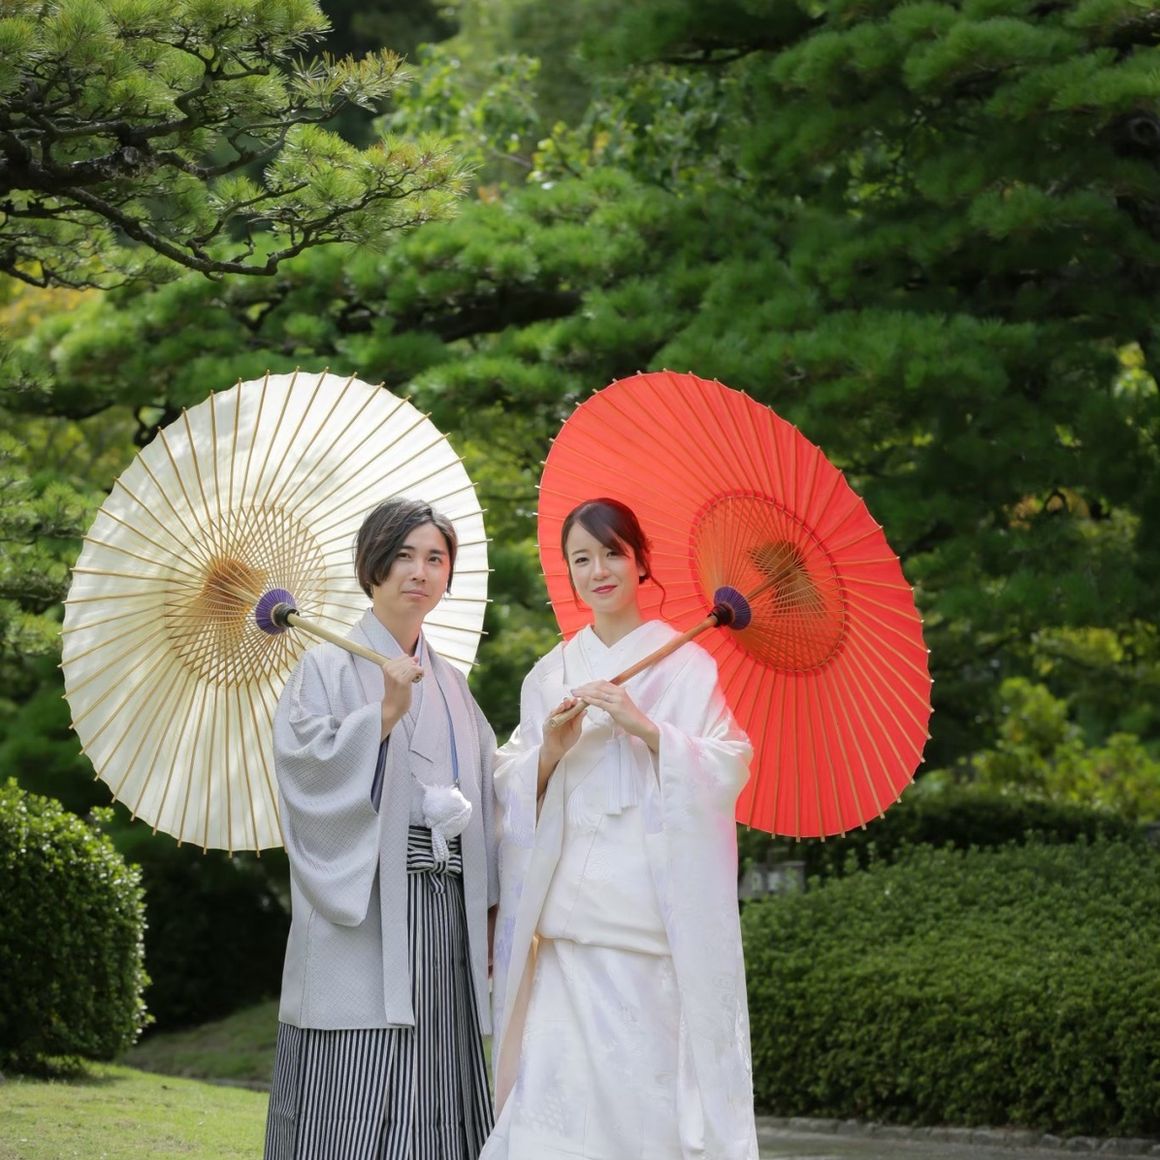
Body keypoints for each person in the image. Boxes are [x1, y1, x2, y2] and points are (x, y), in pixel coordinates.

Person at [484, 497, 759, 1160]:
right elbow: (507, 779)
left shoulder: (686, 666)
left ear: (640, 562)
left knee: (642, 1118)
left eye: (613, 553)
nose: (598, 570)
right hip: (568, 928)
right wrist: (550, 751)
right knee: (551, 1118)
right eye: (581, 559)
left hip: (648, 924)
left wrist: (649, 729)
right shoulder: (550, 674)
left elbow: (728, 762)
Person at [264, 497, 498, 1160]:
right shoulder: (325, 667)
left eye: (435, 558)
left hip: (443, 912)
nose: (419, 572)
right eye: (402, 556)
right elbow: (305, 772)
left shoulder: (453, 685)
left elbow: (491, 790)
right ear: (372, 565)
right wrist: (384, 716)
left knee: (436, 1071)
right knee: (358, 1071)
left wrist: (547, 758)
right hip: (364, 904)